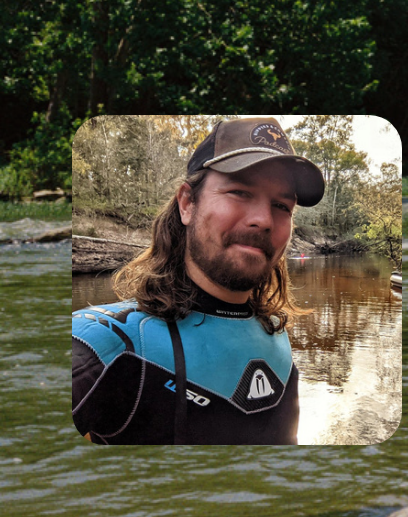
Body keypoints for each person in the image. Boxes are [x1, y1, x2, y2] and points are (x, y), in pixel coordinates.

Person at [72, 118, 325, 444]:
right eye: (239, 192)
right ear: (187, 203)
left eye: (281, 206)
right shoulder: (106, 345)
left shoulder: (275, 334)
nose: (263, 220)